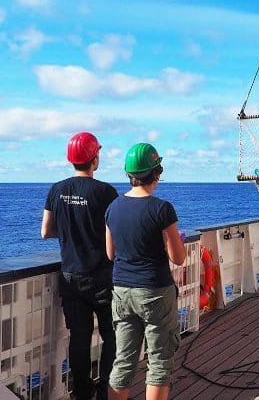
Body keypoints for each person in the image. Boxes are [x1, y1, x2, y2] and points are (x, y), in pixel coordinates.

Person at [104, 143, 186, 400]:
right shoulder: (162, 209)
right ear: (156, 173)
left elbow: (110, 254)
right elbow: (179, 257)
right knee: (159, 362)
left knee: (123, 362)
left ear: (129, 174)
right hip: (155, 292)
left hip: (122, 293)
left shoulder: (113, 207)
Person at [41, 132, 118, 400]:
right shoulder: (106, 192)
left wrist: (70, 230)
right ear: (94, 158)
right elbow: (115, 234)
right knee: (112, 335)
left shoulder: (56, 190)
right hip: (102, 277)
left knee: (79, 338)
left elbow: (46, 231)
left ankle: (81, 393)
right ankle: (105, 391)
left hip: (71, 276)